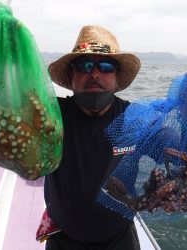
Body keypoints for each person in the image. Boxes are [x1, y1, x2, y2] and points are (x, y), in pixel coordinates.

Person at [38, 25, 142, 250]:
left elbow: (176, 146)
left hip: (120, 239)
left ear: (117, 79)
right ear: (71, 76)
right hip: (62, 239)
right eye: (84, 65)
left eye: (106, 66)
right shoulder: (50, 114)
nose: (94, 73)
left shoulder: (134, 118)